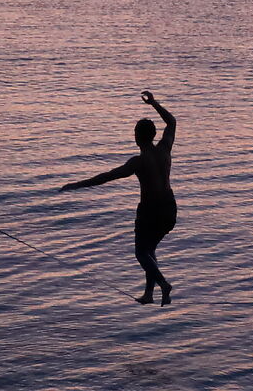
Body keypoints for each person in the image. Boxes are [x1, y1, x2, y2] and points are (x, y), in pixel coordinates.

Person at [61, 92, 179, 305]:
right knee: (150, 250)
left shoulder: (138, 162)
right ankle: (149, 294)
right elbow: (171, 122)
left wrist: (76, 185)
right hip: (170, 209)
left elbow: (106, 177)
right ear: (152, 135)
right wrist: (154, 104)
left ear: (137, 137)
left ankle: (163, 284)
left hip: (150, 212)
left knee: (141, 253)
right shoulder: (165, 149)